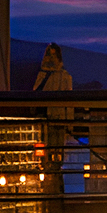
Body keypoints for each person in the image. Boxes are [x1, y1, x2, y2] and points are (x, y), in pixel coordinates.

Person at [33, 43, 74, 191]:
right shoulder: (45, 75)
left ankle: (53, 181)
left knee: (54, 152)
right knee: (49, 152)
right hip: (49, 120)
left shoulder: (61, 77)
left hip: (55, 119)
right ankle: (53, 181)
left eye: (52, 55)